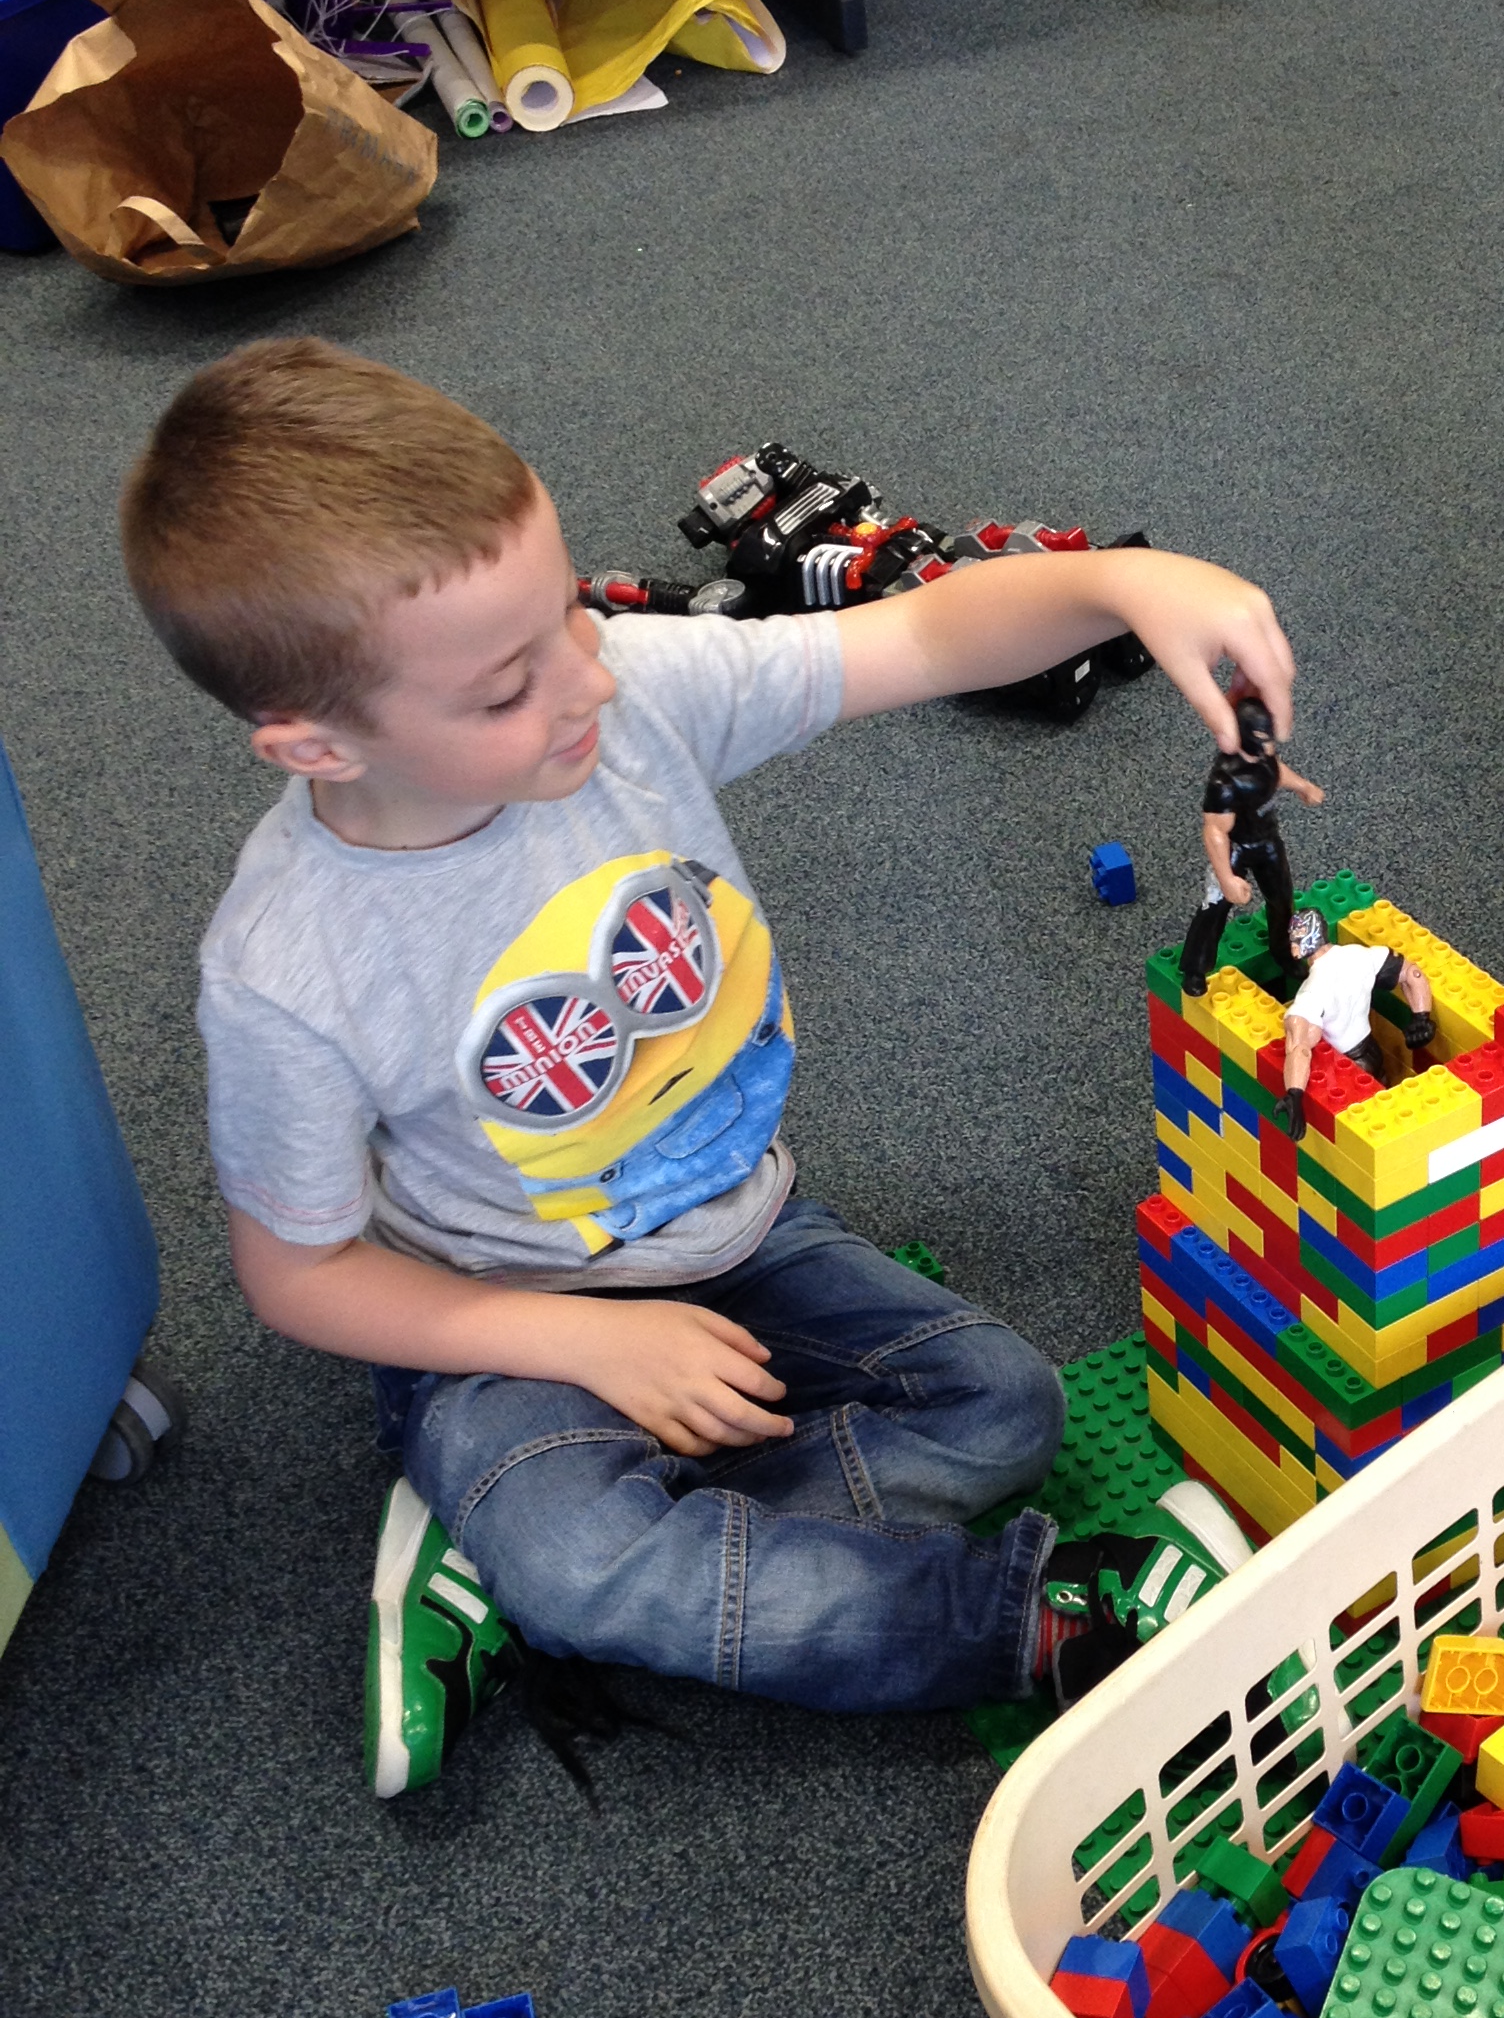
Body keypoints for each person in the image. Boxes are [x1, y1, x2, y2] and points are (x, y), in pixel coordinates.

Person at [123, 340, 1284, 1791]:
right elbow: (298, 1275)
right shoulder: (287, 970)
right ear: (314, 746)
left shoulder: (622, 692)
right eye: (506, 687)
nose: (584, 681)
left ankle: (524, 1565)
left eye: (568, 611)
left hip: (742, 1234)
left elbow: (923, 637)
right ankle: (1029, 1621)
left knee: (1007, 1408)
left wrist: (1126, 582)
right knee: (589, 1561)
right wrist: (588, 1346)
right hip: (507, 1315)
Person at [1178, 675, 1324, 997]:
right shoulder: (1225, 781)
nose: (1269, 746)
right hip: (1235, 847)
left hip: (1266, 840)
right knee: (1216, 906)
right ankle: (1195, 968)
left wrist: (1303, 786)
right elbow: (1215, 831)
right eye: (1262, 738)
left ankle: (1283, 951)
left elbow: (1276, 771)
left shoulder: (1264, 757)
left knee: (1282, 898)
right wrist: (1226, 878)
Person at [1270, 909, 1436, 1141]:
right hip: (1371, 1050)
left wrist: (1294, 1094)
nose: (1293, 943)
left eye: (1296, 936)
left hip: (1347, 1068)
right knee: (1384, 1109)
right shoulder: (1360, 955)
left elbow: (1300, 1048)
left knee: (1361, 1130)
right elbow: (1413, 973)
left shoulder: (1312, 992)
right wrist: (1421, 1017)